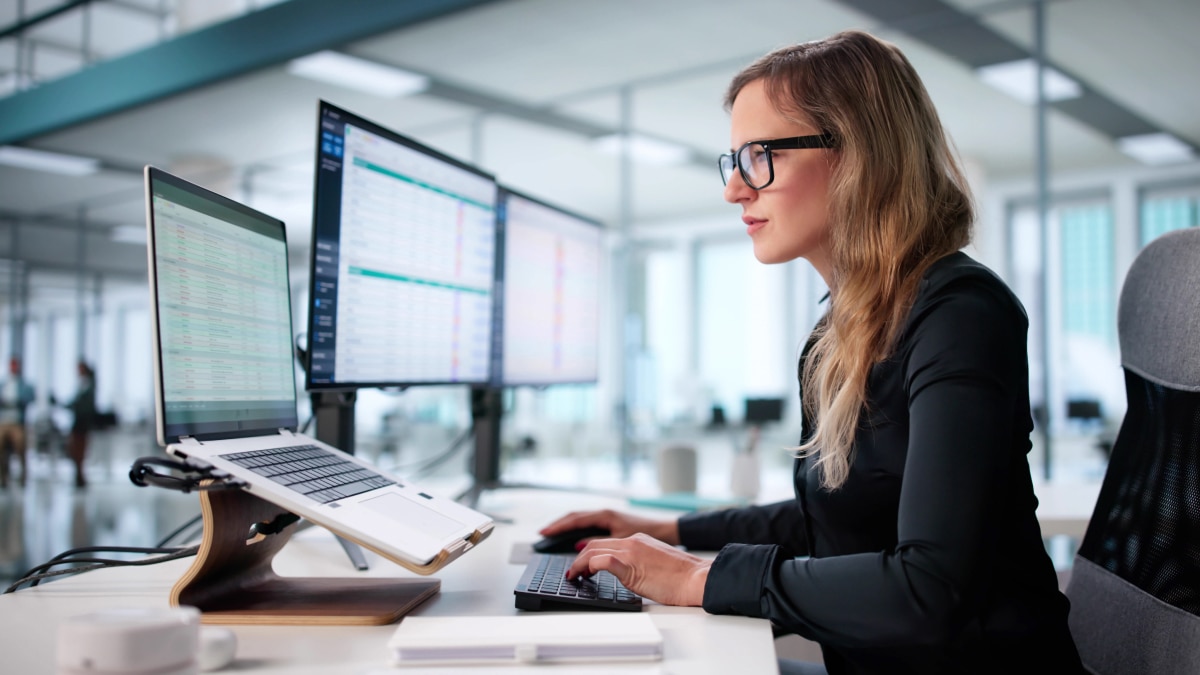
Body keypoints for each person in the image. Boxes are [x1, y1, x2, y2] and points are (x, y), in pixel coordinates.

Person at [541, 30, 1084, 674]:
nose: (735, 190)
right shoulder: (850, 324)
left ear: (859, 157)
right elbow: (834, 520)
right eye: (734, 161)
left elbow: (930, 588)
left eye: (760, 155)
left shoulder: (960, 315)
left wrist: (700, 581)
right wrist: (670, 534)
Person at [0, 356, 35, 488]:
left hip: (17, 423)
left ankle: (23, 477)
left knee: (20, 445)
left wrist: (16, 402)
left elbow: (29, 398)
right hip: (3, 422)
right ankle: (3, 477)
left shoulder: (25, 385)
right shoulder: (3, 384)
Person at [63, 360, 97, 488]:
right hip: (77, 423)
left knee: (79, 453)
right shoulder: (82, 384)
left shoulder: (89, 385)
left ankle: (80, 479)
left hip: (83, 424)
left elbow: (83, 405)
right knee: (75, 452)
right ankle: (79, 478)